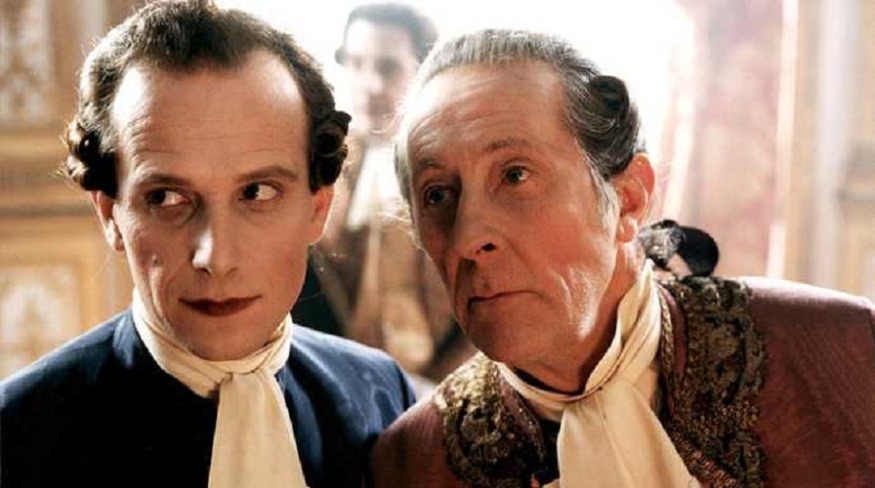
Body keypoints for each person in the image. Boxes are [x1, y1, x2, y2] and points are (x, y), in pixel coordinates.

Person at [369, 29, 875, 487]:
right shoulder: (413, 463)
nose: (467, 237)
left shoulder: (842, 352)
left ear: (628, 199)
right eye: (437, 195)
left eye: (515, 175)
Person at [0, 2, 415, 487]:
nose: (216, 257)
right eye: (167, 198)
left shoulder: (379, 396)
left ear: (318, 208)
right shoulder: (17, 437)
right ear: (110, 214)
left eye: (256, 193)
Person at [294, 2, 472, 388]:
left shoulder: (460, 172)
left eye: (388, 68)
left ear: (423, 72)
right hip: (335, 381)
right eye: (357, 64)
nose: (372, 86)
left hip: (440, 384)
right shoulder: (314, 168)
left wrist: (443, 389)